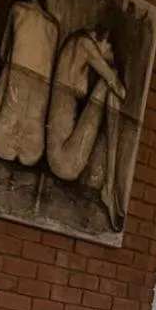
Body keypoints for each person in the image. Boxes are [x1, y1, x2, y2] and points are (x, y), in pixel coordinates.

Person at [46, 26, 128, 231]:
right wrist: (109, 69)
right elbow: (120, 89)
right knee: (112, 84)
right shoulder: (84, 43)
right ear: (105, 41)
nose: (109, 57)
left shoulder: (75, 44)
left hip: (63, 153)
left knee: (109, 90)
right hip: (63, 160)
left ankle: (109, 187)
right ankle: (110, 187)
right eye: (110, 52)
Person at [0, 0, 58, 170]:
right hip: (34, 151)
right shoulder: (54, 27)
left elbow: (3, 52)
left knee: (10, 68)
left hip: (1, 140)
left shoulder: (18, 8)